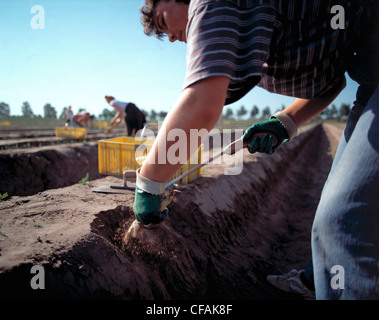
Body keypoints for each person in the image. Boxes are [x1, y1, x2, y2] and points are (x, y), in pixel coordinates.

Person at [134, 0, 379, 299]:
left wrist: (148, 184)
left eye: (162, 22)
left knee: (345, 219)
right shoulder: (247, 40)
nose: (170, 37)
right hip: (369, 84)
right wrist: (284, 122)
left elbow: (200, 106)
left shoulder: (209, 3)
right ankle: (321, 280)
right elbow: (331, 83)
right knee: (337, 196)